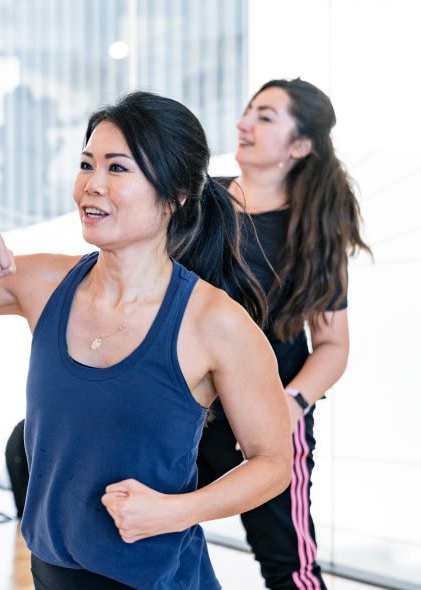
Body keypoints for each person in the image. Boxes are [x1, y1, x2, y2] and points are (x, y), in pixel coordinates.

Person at [0, 91, 292, 589]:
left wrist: (176, 511)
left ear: (177, 194)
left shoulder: (214, 322)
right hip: (51, 572)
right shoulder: (43, 283)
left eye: (117, 168)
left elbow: (274, 463)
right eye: (86, 164)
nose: (92, 185)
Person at [196, 79, 370, 590]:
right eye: (249, 110)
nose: (243, 123)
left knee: (291, 570)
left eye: (266, 116)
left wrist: (289, 406)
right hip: (188, 409)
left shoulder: (314, 230)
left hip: (268, 417)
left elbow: (333, 346)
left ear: (299, 146)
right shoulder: (199, 203)